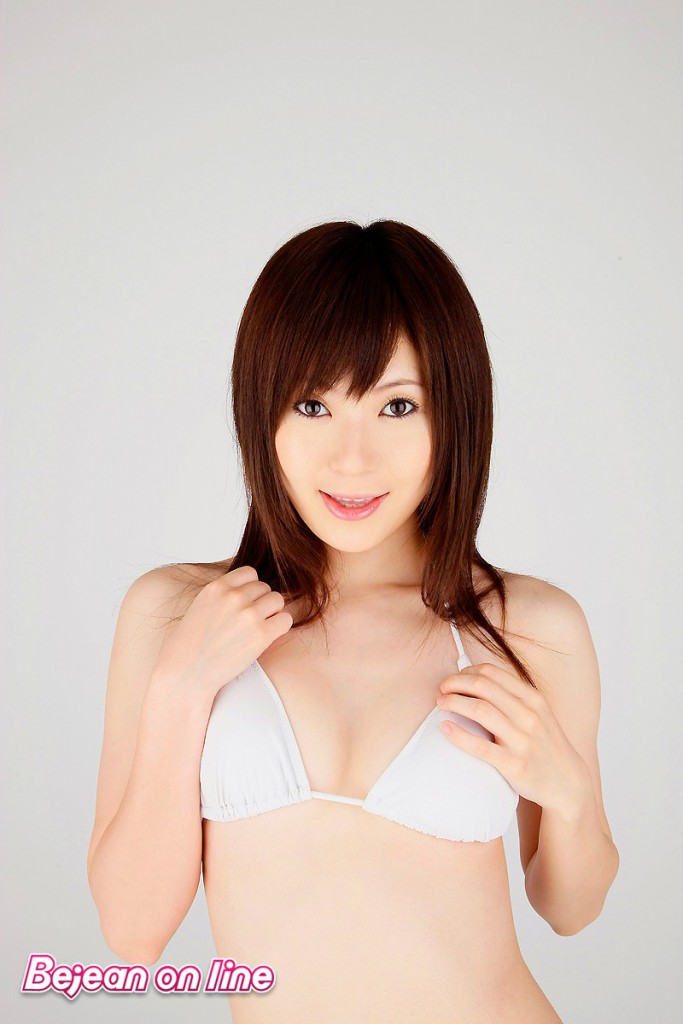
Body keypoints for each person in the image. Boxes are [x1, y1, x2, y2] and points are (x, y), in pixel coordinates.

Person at [87, 219, 620, 1023]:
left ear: (454, 415)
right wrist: (179, 690)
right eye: (312, 404)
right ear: (260, 413)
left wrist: (568, 795)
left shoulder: (527, 627)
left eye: (397, 406)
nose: (352, 459)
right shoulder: (176, 617)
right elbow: (132, 932)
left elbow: (569, 909)